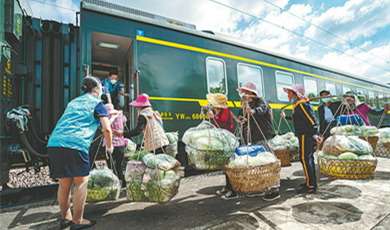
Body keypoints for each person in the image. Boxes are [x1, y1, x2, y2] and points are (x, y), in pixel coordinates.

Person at [47, 76, 113, 230]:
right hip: (75, 145)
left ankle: (66, 218)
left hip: (55, 143)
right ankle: (78, 220)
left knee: (64, 184)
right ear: (95, 89)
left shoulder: (73, 102)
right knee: (81, 182)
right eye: (101, 90)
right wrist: (110, 147)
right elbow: (107, 129)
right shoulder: (98, 104)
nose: (102, 92)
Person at [281, 84, 322, 194]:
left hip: (306, 135)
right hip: (304, 135)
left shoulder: (301, 105)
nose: (288, 95)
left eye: (289, 93)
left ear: (295, 95)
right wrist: (286, 117)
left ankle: (311, 185)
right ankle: (310, 182)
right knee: (307, 159)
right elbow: (300, 119)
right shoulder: (301, 104)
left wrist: (314, 133)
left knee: (305, 159)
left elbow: (313, 121)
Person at [205, 94, 236, 200]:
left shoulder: (226, 111)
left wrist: (213, 117)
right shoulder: (219, 112)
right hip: (223, 140)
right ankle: (228, 187)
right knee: (225, 166)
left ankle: (233, 190)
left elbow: (223, 124)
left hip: (228, 141)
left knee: (229, 166)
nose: (211, 105)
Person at [103, 103, 127, 189]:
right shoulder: (120, 117)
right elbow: (125, 120)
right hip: (121, 145)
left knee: (110, 167)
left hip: (110, 145)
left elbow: (101, 127)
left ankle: (113, 185)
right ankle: (121, 183)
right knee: (119, 165)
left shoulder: (105, 119)